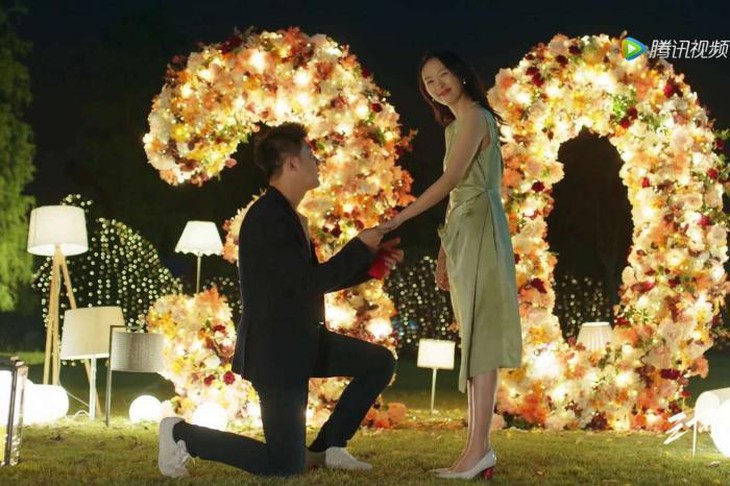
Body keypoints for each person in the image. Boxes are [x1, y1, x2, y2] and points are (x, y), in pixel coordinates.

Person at [158, 122, 403, 478]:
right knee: (284, 466)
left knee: (379, 362)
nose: (317, 162)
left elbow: (311, 281)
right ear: (291, 164)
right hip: (276, 353)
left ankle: (327, 447)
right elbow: (308, 283)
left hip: (302, 341)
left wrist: (373, 264)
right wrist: (359, 247)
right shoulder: (269, 217)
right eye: (310, 155)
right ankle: (181, 435)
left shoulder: (288, 215)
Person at [380, 51, 522, 480]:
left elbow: (450, 181)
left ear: (460, 74)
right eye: (429, 81)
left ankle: (479, 450)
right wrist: (445, 251)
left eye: (443, 75)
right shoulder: (454, 126)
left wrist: (400, 218)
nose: (438, 85)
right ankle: (473, 451)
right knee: (473, 339)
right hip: (464, 231)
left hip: (482, 229)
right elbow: (457, 196)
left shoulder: (476, 116)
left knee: (483, 339)